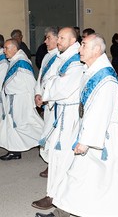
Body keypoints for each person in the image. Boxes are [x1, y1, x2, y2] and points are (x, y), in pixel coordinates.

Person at [35, 33, 118, 217]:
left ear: (96, 50)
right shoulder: (92, 70)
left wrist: (85, 140)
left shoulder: (104, 76)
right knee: (77, 176)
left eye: (83, 45)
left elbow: (101, 112)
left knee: (101, 180)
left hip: (102, 137)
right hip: (91, 132)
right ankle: (63, 211)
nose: (80, 49)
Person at [32, 27, 84, 210]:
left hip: (68, 116)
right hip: (60, 111)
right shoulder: (64, 57)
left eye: (61, 38)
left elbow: (61, 86)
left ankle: (56, 195)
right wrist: (49, 87)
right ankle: (55, 193)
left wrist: (49, 89)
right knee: (56, 154)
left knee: (62, 156)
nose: (57, 41)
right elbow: (50, 79)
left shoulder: (75, 61)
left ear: (72, 40)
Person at [0, 39, 44, 160]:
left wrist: (33, 100)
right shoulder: (14, 60)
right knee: (12, 125)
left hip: (21, 100)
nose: (4, 51)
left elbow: (30, 83)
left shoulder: (22, 62)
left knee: (24, 124)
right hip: (13, 99)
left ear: (15, 49)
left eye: (6, 48)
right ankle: (15, 150)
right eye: (4, 48)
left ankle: (46, 139)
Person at [35, 27, 59, 178]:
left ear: (58, 39)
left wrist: (46, 97)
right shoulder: (46, 57)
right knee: (47, 132)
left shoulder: (62, 57)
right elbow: (41, 78)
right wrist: (38, 93)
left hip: (55, 103)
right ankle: (51, 163)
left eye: (48, 38)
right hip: (46, 101)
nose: (45, 41)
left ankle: (54, 164)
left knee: (53, 134)